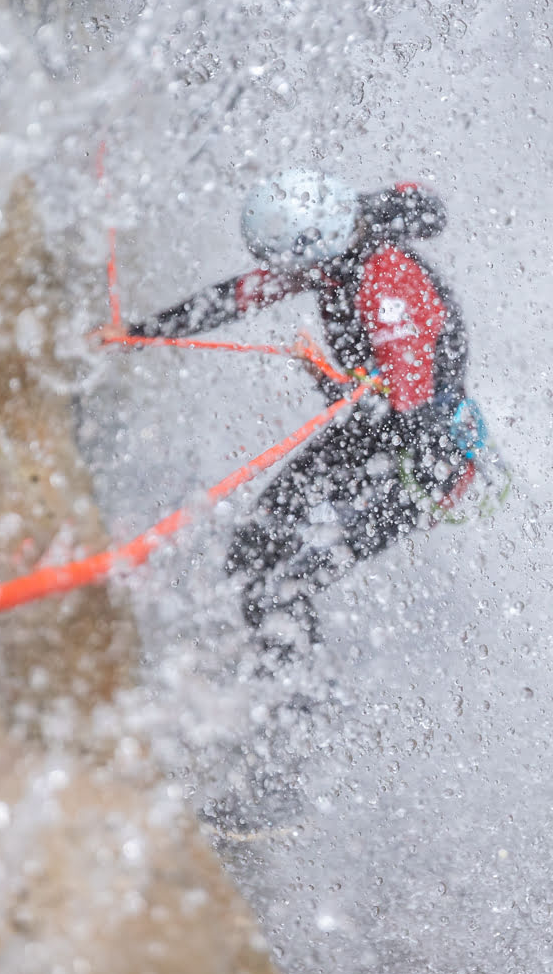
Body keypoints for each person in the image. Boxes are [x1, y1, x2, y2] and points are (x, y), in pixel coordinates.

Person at [124, 169, 485, 663]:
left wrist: (331, 381)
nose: (284, 274)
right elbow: (236, 296)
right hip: (373, 438)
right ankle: (261, 674)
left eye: (289, 263)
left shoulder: (384, 281)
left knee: (280, 588)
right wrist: (141, 333)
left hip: (423, 465)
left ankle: (300, 699)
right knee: (252, 549)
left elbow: (410, 416)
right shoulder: (334, 252)